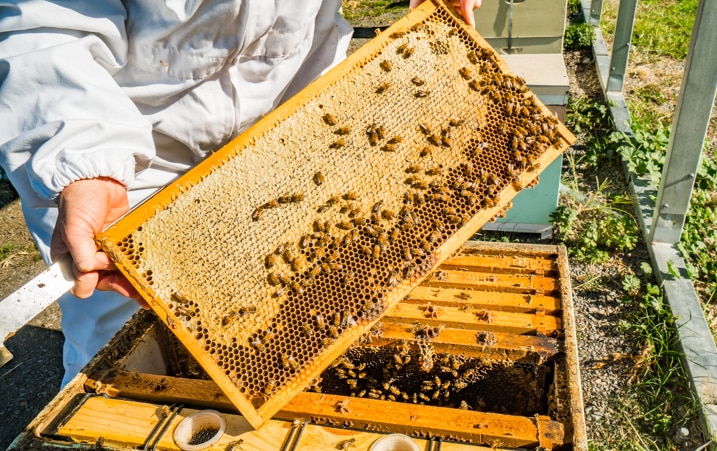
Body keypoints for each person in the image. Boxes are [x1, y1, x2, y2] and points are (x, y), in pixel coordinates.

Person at [0, 0, 481, 387]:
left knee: (297, 319)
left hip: (295, 122)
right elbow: (38, 25)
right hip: (124, 148)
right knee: (121, 357)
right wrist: (83, 159)